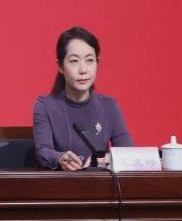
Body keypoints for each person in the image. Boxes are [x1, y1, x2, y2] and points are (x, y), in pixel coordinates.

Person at [33, 26, 133, 170]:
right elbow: (43, 151)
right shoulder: (45, 106)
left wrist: (108, 159)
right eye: (74, 61)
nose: (83, 70)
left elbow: (128, 154)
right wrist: (60, 158)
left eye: (89, 60)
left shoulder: (109, 106)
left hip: (99, 183)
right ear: (60, 66)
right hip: (62, 182)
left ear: (97, 62)